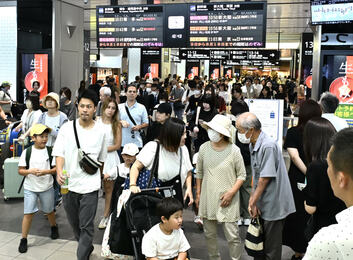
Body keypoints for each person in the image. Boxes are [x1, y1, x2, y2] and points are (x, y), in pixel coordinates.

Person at [53, 89, 107, 260]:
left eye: (89, 106)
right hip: (69, 184)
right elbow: (59, 153)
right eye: (82, 106)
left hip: (90, 186)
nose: (85, 109)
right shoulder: (67, 128)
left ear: (94, 108)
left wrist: (100, 179)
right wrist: (59, 171)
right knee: (75, 224)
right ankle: (86, 246)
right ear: (77, 106)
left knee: (86, 225)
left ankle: (82, 256)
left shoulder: (101, 131)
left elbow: (102, 159)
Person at [236, 112, 295, 260]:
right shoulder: (254, 143)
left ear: (251, 130)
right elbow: (256, 176)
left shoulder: (267, 145)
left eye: (240, 130)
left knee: (271, 248)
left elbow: (265, 178)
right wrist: (254, 200)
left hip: (274, 202)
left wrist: (252, 201)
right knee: (260, 244)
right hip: (263, 199)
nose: (239, 134)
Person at [195, 115, 246, 260]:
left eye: (215, 129)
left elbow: (242, 175)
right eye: (210, 128)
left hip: (228, 199)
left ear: (223, 133)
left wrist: (231, 193)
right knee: (209, 234)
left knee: (233, 235)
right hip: (208, 197)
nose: (211, 132)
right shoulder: (203, 148)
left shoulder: (234, 150)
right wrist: (198, 194)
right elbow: (199, 173)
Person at [303, 128, 353, 260]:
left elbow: (310, 207)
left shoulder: (327, 241)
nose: (328, 171)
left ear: (341, 179)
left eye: (329, 166)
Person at [282, 100, 322, 260]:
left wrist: (307, 172)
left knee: (298, 213)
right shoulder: (322, 131)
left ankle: (299, 252)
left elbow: (293, 155)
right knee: (317, 212)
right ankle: (315, 250)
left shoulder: (293, 132)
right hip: (320, 176)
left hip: (298, 178)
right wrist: (313, 173)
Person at [129, 118, 193, 205]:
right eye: (183, 134)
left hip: (174, 199)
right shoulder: (153, 147)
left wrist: (188, 188)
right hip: (154, 199)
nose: (185, 136)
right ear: (172, 135)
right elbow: (135, 167)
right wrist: (132, 185)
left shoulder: (183, 149)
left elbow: (188, 170)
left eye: (185, 133)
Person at [302, 118, 346, 239]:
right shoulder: (344, 162)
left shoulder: (315, 167)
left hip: (323, 228)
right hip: (344, 224)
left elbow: (310, 208)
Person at [18, 124, 58, 253]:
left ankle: (53, 227)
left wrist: (46, 172)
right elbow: (20, 171)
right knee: (28, 213)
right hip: (30, 188)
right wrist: (30, 171)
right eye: (41, 136)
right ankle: (23, 239)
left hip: (47, 187)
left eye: (46, 136)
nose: (45, 139)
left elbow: (56, 169)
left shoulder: (50, 151)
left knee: (49, 211)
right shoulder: (27, 152)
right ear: (33, 138)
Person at [38, 92, 68, 208]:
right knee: (47, 176)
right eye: (48, 100)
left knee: (57, 176)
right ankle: (50, 202)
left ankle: (55, 200)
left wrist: (49, 130)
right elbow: (37, 129)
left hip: (58, 150)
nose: (49, 102)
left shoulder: (62, 117)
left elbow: (64, 134)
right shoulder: (42, 116)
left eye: (52, 100)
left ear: (56, 103)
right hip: (44, 149)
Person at [96, 98, 122, 229]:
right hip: (95, 158)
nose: (110, 110)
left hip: (110, 158)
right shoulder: (96, 121)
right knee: (93, 187)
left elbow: (117, 145)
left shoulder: (116, 124)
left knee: (108, 189)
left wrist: (101, 149)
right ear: (104, 107)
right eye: (109, 107)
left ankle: (106, 215)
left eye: (113, 108)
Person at [118, 84, 149, 149]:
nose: (132, 93)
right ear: (126, 93)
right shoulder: (119, 107)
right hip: (122, 142)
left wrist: (139, 126)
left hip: (137, 142)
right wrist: (121, 122)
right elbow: (113, 121)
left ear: (136, 94)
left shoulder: (142, 107)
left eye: (134, 92)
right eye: (130, 91)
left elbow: (146, 123)